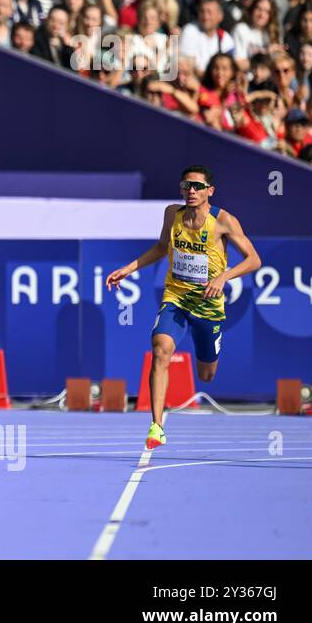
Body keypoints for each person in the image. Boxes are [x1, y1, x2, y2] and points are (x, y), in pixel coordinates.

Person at [106, 166, 261, 450]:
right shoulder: (171, 214)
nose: (191, 191)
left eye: (198, 187)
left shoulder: (224, 221)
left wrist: (223, 276)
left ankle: (208, 349)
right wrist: (128, 269)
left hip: (208, 306)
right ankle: (157, 426)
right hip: (176, 296)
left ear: (209, 191)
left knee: (207, 375)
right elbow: (161, 247)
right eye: (187, 186)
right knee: (160, 349)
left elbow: (254, 260)